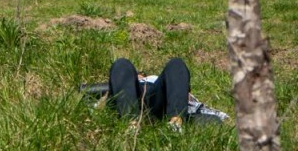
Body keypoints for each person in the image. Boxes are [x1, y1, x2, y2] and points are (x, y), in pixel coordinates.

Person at [98, 57, 229, 130]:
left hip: (160, 100)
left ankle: (175, 123)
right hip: (132, 97)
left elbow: (179, 86)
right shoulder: (129, 77)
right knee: (122, 64)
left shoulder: (157, 79)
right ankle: (131, 125)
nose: (142, 74)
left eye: (143, 74)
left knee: (176, 63)